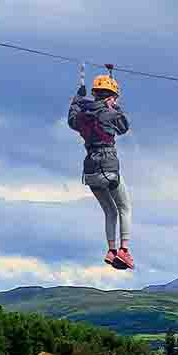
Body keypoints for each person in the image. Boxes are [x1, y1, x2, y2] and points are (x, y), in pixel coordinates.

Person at [68, 67, 133, 270]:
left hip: (90, 171)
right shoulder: (109, 113)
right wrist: (115, 108)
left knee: (109, 211)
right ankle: (124, 250)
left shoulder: (82, 116)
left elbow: (71, 118)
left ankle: (111, 250)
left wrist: (77, 100)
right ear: (111, 97)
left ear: (94, 94)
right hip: (108, 166)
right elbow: (124, 127)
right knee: (124, 208)